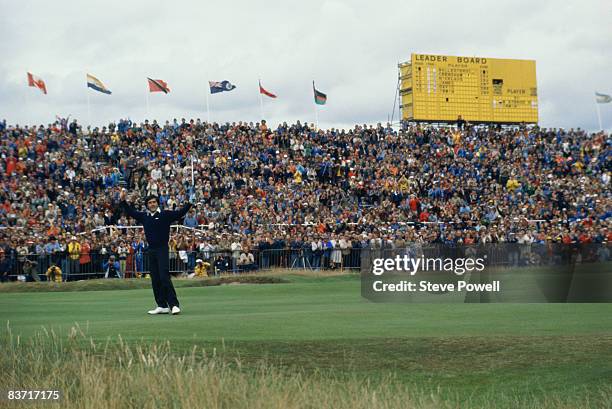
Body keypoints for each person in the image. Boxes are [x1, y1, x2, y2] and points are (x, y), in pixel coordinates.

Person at [119, 189, 193, 315]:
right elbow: (131, 212)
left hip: (162, 249)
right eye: (150, 203)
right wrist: (123, 200)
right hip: (151, 250)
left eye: (154, 202)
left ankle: (174, 304)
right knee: (155, 279)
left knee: (164, 276)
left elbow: (180, 213)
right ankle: (162, 305)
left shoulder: (165, 214)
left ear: (157, 203)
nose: (152, 204)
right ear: (147, 205)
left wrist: (189, 203)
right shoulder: (145, 216)